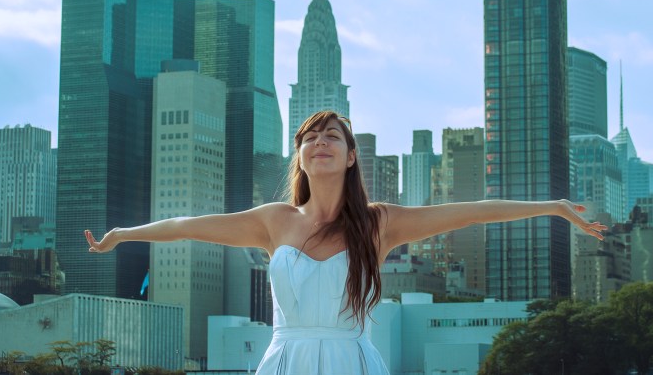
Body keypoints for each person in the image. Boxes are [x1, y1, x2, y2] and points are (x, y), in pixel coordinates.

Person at [86, 110, 606, 374]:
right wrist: (125, 235)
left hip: (351, 361)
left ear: (352, 155)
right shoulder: (274, 221)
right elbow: (189, 224)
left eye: (332, 135)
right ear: (301, 157)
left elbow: (470, 213)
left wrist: (555, 208)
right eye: (310, 137)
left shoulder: (381, 223)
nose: (320, 142)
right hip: (285, 360)